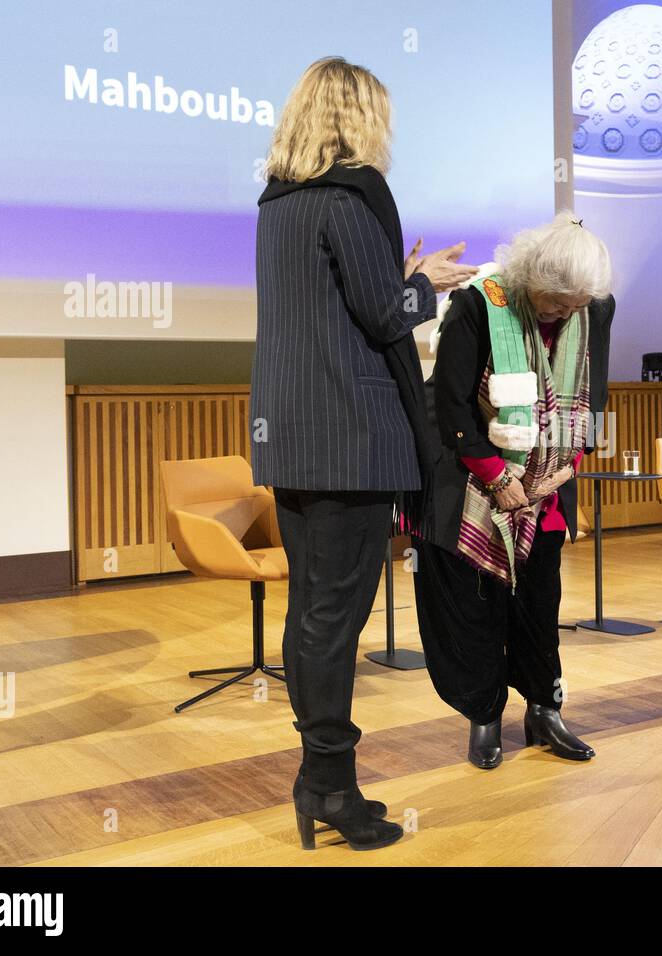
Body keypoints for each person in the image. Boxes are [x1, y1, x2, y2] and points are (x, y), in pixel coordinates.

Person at [249, 57, 476, 851]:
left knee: (311, 610)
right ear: (356, 118)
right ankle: (328, 786)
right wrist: (426, 282)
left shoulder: (277, 207)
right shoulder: (351, 197)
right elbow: (385, 318)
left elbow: (328, 311)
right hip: (349, 438)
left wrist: (398, 278)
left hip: (295, 437)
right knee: (334, 621)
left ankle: (323, 780)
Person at [413, 212, 614, 770]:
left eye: (575, 305)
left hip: (547, 484)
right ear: (530, 277)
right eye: (555, 302)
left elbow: (591, 400)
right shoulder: (483, 302)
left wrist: (566, 468)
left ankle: (544, 709)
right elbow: (450, 406)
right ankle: (484, 714)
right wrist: (498, 477)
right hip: (474, 481)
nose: (564, 314)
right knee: (478, 605)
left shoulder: (593, 308)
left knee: (539, 602)